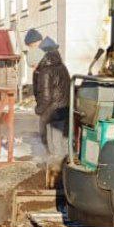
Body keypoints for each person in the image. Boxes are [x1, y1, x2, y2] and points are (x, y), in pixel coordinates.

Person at [31, 34, 70, 188]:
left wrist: (38, 109)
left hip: (53, 113)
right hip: (64, 111)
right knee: (64, 147)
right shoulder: (62, 66)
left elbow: (46, 97)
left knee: (55, 149)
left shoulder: (46, 71)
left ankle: (56, 185)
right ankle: (67, 179)